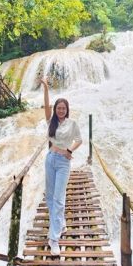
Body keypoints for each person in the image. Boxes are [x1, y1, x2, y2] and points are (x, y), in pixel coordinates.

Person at [40, 77, 82, 256]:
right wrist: (46, 89)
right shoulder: (52, 121)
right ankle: (61, 223)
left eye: (63, 108)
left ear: (67, 110)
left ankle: (54, 239)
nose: (61, 110)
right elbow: (47, 106)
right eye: (58, 108)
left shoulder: (72, 124)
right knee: (50, 197)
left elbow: (79, 140)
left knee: (58, 198)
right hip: (50, 159)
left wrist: (69, 150)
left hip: (63, 163)